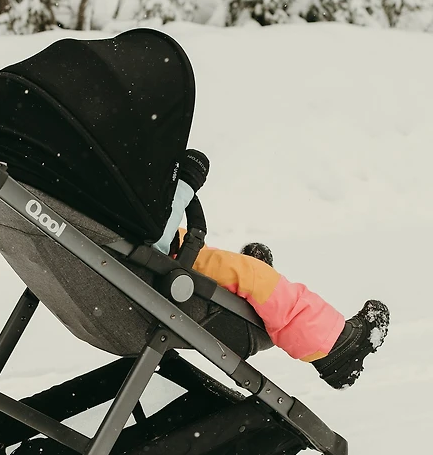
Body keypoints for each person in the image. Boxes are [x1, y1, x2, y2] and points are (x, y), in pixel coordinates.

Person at [165, 151, 389, 389]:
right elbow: (160, 226)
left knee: (216, 261)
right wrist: (185, 182)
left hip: (143, 272)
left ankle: (250, 283)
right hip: (161, 274)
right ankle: (333, 344)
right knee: (256, 280)